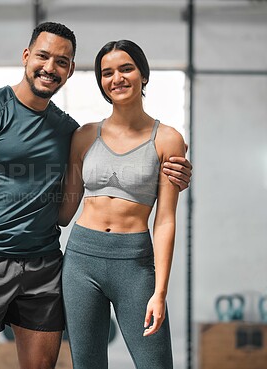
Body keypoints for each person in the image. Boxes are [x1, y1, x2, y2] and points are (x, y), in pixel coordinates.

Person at [0, 22, 192, 369]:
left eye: (62, 61)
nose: (50, 67)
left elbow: (153, 214)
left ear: (71, 70)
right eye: (43, 56)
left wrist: (175, 175)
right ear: (27, 56)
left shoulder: (70, 130)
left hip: (53, 264)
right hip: (4, 260)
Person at [59, 39, 186, 369]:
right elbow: (64, 211)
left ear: (143, 74)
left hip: (134, 264)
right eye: (107, 72)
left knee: (155, 364)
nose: (117, 78)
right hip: (81, 259)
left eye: (126, 68)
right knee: (87, 365)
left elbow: (165, 220)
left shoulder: (168, 139)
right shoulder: (84, 136)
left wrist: (159, 292)